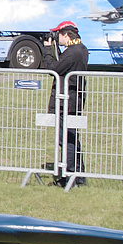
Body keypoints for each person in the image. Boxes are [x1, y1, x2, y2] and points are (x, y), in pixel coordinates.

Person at [41, 21, 88, 188]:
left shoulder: (72, 53)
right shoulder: (80, 49)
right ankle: (78, 175)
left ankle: (69, 177)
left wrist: (47, 49)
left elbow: (53, 67)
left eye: (58, 34)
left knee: (66, 139)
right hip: (73, 100)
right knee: (71, 138)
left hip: (67, 102)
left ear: (66, 34)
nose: (56, 38)